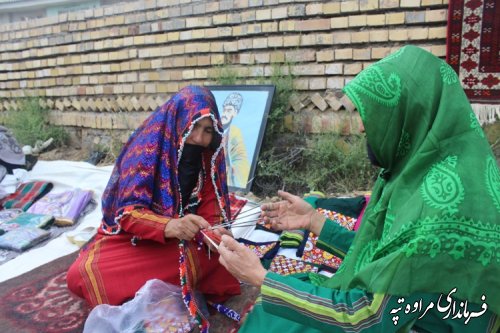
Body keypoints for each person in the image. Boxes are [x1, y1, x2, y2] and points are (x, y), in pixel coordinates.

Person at [218, 46, 499, 332]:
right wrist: (314, 221)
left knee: (280, 316)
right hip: (415, 307)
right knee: (280, 312)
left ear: (408, 113)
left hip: (427, 323)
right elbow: (384, 258)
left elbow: (368, 318)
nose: (363, 127)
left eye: (374, 114)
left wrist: (261, 278)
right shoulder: (428, 167)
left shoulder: (439, 205)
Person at [67, 86, 240, 320]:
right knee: (82, 274)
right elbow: (128, 213)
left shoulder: (207, 156)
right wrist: (171, 226)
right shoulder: (147, 149)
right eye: (194, 127)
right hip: (135, 240)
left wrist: (217, 233)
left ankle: (156, 292)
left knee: (224, 257)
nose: (199, 138)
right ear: (178, 121)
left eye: (207, 130)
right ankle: (173, 287)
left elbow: (213, 206)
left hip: (184, 241)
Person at [221, 92, 250, 188]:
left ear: (235, 113)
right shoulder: (213, 128)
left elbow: (240, 161)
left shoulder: (235, 133)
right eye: (224, 109)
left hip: (226, 177)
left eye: (229, 110)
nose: (224, 114)